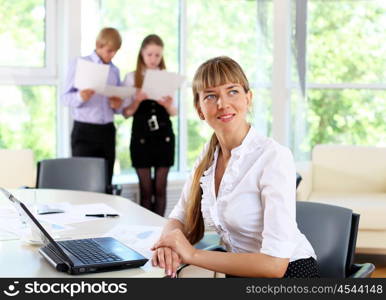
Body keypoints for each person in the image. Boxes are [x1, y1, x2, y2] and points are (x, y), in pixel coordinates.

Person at [150, 56, 319, 278]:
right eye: (211, 96)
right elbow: (179, 217)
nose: (223, 104)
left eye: (232, 91)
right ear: (200, 109)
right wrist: (167, 243)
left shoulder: (273, 157)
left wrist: (191, 254)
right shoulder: (208, 155)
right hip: (241, 270)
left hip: (290, 272)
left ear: (248, 98)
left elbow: (274, 265)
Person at [62, 27, 124, 189]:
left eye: (115, 52)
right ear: (98, 45)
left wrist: (117, 105)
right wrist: (80, 97)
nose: (111, 55)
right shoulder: (79, 64)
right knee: (83, 183)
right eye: (109, 50)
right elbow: (64, 98)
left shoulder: (114, 71)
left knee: (105, 182)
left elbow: (117, 107)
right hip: (84, 132)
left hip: (107, 132)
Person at [122, 34, 176, 216]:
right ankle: (145, 238)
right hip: (141, 139)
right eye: (150, 54)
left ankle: (160, 235)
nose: (153, 59)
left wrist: (168, 105)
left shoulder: (166, 77)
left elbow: (174, 112)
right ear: (142, 54)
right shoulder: (131, 78)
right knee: (146, 192)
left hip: (164, 137)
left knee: (161, 190)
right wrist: (137, 100)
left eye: (157, 55)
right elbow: (125, 113)